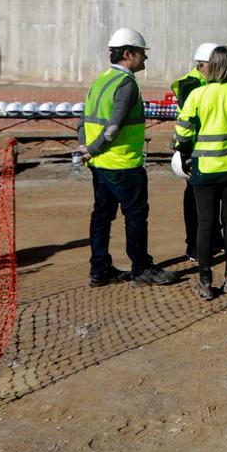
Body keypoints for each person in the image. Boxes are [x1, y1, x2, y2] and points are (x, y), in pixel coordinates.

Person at [79, 28, 175, 288]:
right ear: (129, 54)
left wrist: (85, 148)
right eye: (142, 54)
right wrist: (95, 147)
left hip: (99, 166)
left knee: (101, 216)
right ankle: (141, 267)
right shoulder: (126, 84)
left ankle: (100, 269)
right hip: (123, 164)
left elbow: (84, 119)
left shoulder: (101, 81)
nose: (145, 59)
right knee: (135, 216)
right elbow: (114, 125)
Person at [172, 45, 227, 300]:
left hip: (204, 171)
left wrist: (186, 149)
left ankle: (204, 281)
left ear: (210, 66)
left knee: (204, 224)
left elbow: (182, 134)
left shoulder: (197, 95)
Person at [171, 42, 219, 263]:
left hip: (210, 150)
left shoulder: (210, 82)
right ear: (202, 65)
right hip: (193, 148)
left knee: (212, 197)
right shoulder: (191, 84)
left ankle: (213, 239)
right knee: (195, 199)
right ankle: (194, 245)